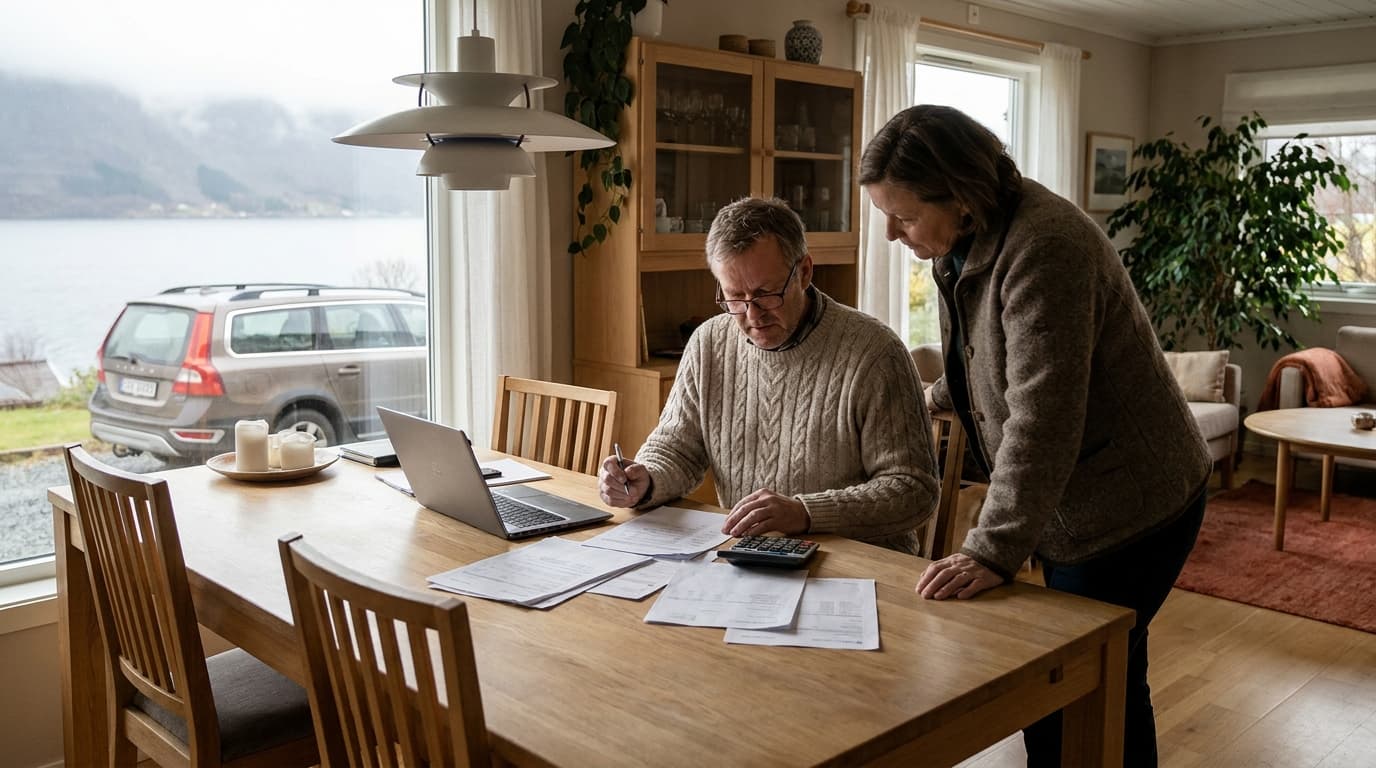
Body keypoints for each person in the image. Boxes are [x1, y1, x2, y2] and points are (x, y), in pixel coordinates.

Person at [859, 104, 1210, 767]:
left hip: (1133, 503)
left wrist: (990, 551)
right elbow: (980, 362)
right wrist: (915, 399)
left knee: (1079, 681)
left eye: (902, 216)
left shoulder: (1046, 247)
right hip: (1073, 497)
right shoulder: (963, 239)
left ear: (960, 198)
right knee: (1089, 682)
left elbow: (1042, 419)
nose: (889, 234)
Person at [597, 197, 939, 555]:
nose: (751, 315)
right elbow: (677, 448)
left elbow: (913, 490)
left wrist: (806, 512)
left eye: (766, 294)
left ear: (804, 272)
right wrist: (645, 480)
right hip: (753, 557)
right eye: (734, 297)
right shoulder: (709, 342)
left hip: (862, 568)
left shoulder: (875, 352)